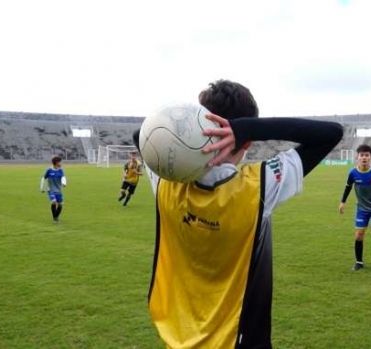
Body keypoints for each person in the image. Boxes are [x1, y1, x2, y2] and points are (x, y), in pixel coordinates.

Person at [133, 79, 343, 348]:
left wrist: (192, 129)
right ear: (246, 142)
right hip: (240, 340)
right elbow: (331, 133)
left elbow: (142, 135)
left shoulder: (165, 182)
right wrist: (246, 129)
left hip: (178, 338)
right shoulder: (260, 186)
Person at [339, 144, 371, 272]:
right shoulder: (353, 173)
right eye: (362, 155)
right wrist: (342, 202)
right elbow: (348, 186)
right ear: (358, 157)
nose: (364, 158)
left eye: (367, 155)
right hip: (362, 209)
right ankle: (359, 262)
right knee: (358, 235)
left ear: (370, 157)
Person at [40, 156, 67, 223]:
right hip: (51, 190)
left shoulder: (60, 170)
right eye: (60, 162)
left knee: (60, 205)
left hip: (58, 190)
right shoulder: (49, 170)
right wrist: (42, 187)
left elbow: (63, 177)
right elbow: (43, 178)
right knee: (54, 202)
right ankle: (55, 219)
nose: (61, 163)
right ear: (56, 162)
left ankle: (56, 217)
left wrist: (64, 183)